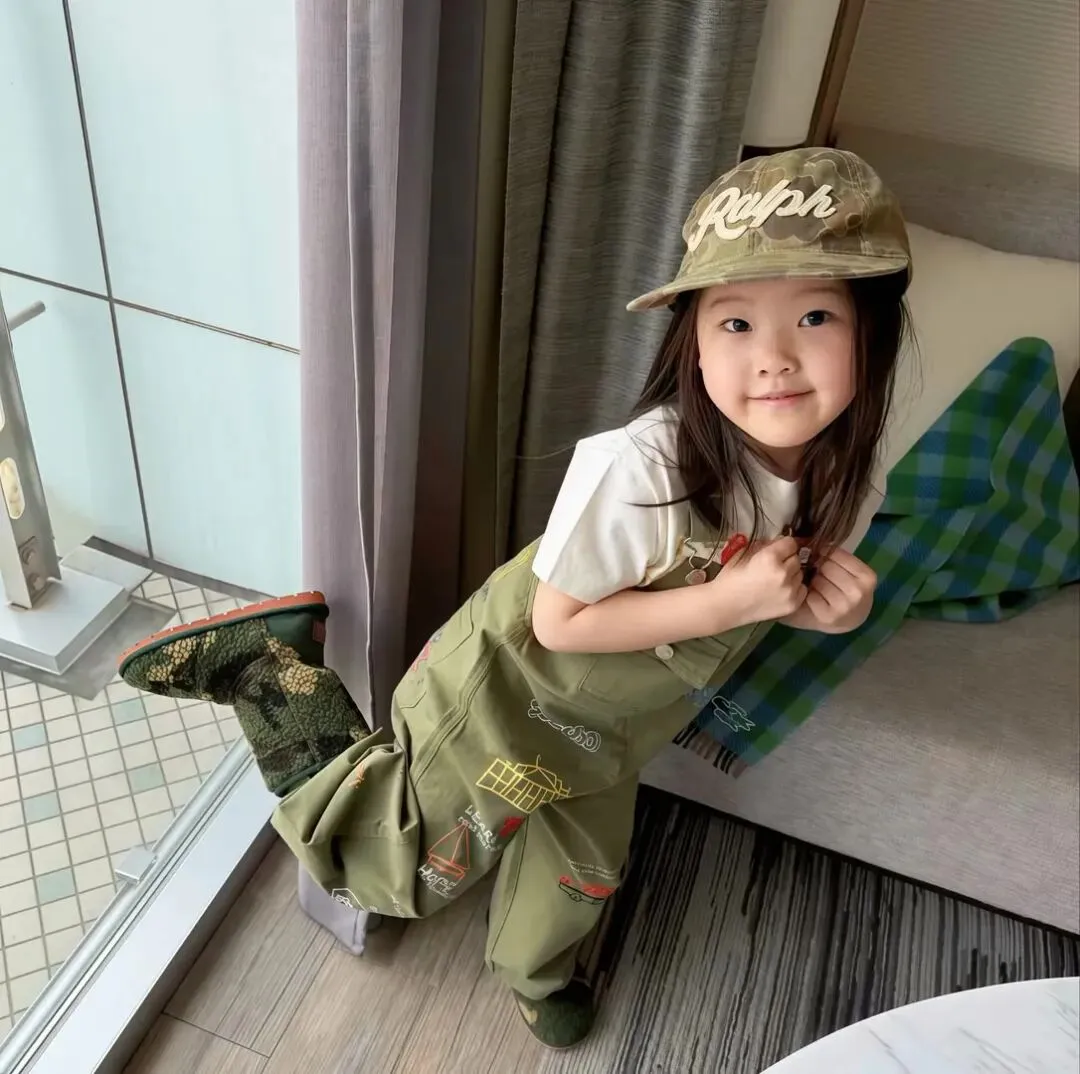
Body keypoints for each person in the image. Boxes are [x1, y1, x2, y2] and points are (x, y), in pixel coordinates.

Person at [118, 147, 911, 1050]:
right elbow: (557, 621)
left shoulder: (847, 481)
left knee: (584, 867)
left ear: (873, 331)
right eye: (735, 322)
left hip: (617, 726)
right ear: (691, 342)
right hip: (509, 688)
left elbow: (765, 593)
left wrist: (821, 610)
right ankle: (269, 671)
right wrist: (727, 606)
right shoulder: (639, 469)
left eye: (815, 315)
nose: (773, 358)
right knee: (397, 871)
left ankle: (533, 975)